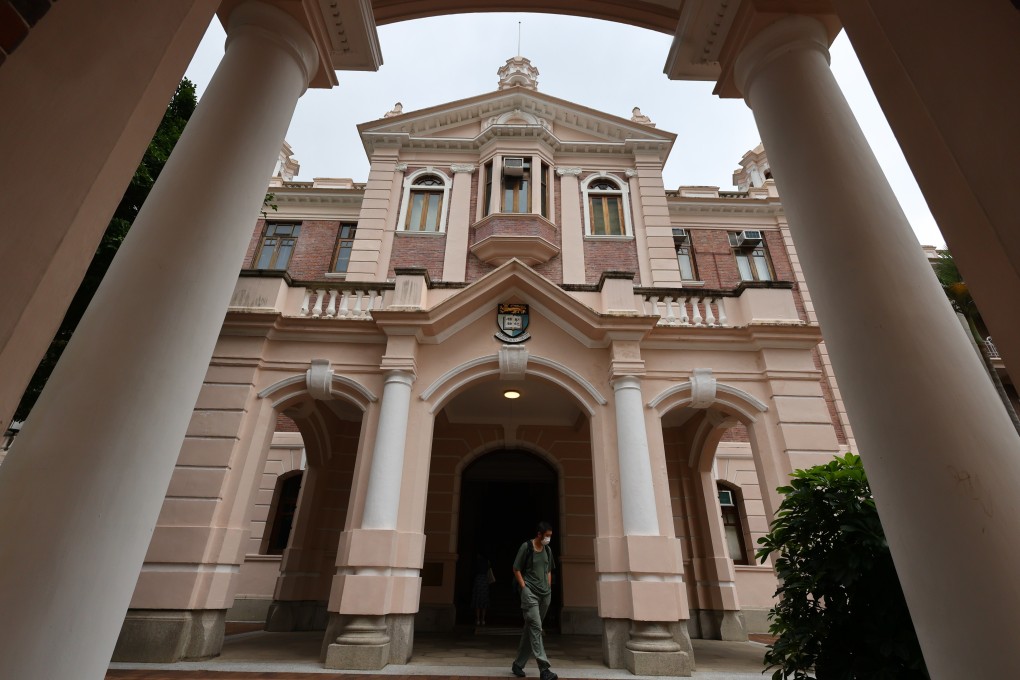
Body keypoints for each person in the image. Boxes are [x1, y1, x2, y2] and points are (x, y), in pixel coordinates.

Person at [511, 521, 557, 680]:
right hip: (530, 593)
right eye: (547, 536)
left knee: (530, 630)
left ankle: (518, 664)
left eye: (550, 536)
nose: (549, 539)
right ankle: (544, 669)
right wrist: (524, 587)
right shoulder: (526, 547)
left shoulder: (548, 550)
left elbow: (548, 570)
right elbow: (516, 568)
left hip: (545, 595)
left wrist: (548, 588)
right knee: (536, 628)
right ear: (539, 534)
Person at [471, 551, 492, 626]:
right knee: (484, 602)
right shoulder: (487, 562)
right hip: (484, 581)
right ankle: (483, 619)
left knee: (477, 601)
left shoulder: (476, 562)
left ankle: (477, 620)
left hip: (478, 580)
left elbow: (473, 571)